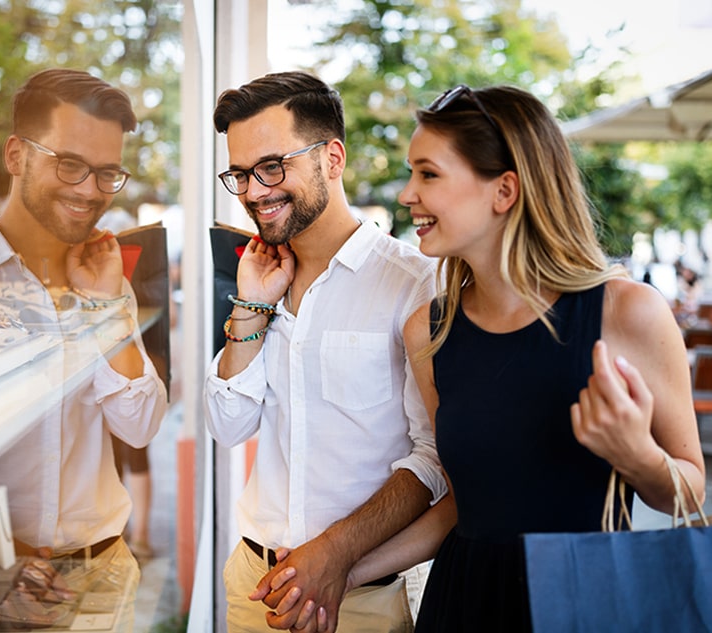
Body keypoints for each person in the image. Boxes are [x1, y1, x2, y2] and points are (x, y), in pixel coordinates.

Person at [271, 83, 706, 633]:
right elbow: (460, 503)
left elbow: (690, 488)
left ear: (504, 190)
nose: (407, 194)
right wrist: (342, 573)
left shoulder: (626, 312)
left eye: (428, 174)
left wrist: (639, 456)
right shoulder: (428, 330)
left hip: (582, 601)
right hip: (461, 604)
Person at [0, 68, 168, 631]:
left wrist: (106, 306)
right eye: (69, 164)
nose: (90, 189)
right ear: (16, 155)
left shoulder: (103, 277)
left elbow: (139, 426)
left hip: (101, 574)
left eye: (107, 173)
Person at [203, 70, 446, 633]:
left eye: (271, 166)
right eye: (239, 174)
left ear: (332, 159)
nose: (253, 192)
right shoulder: (260, 276)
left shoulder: (415, 284)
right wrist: (250, 306)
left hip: (362, 595)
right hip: (253, 584)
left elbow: (435, 456)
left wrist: (336, 553)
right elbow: (228, 424)